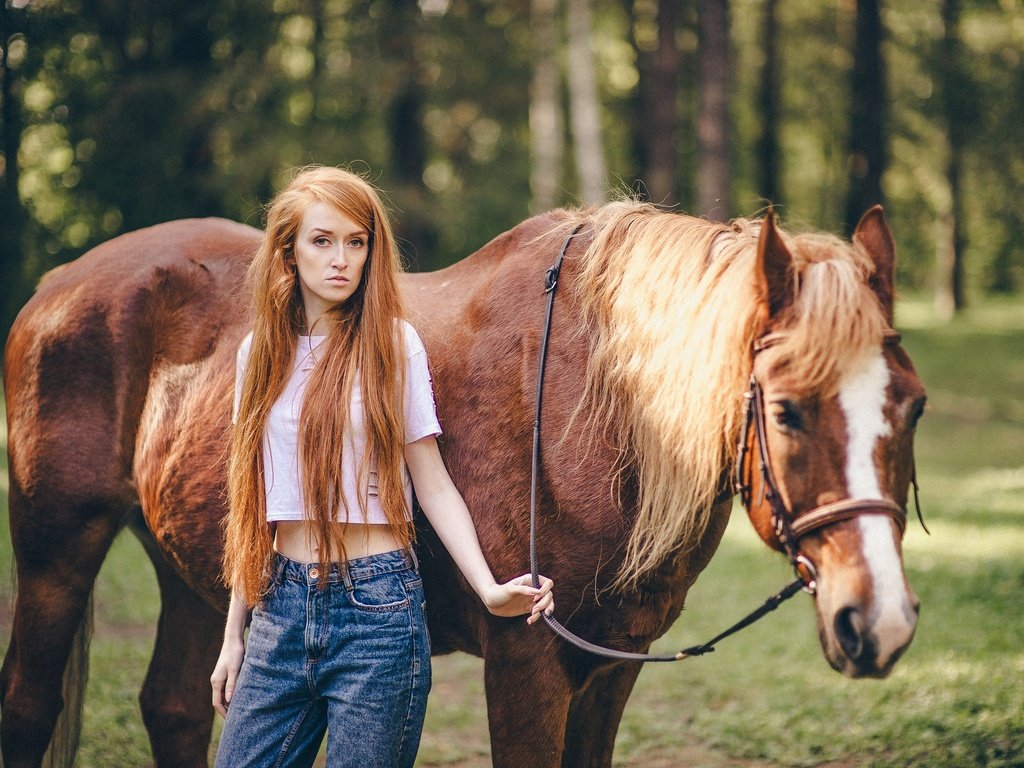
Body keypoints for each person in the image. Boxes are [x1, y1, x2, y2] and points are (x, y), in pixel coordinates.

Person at [210, 165, 554, 767]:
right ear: (289, 252)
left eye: (356, 241)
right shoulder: (257, 353)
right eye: (322, 241)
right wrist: (233, 634)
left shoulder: (393, 345)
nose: (341, 258)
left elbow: (433, 481)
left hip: (378, 611)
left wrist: (489, 588)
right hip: (279, 608)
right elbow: (253, 501)